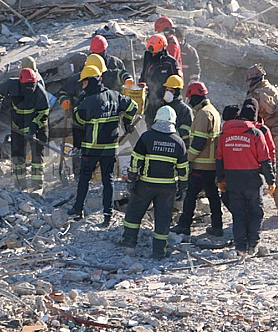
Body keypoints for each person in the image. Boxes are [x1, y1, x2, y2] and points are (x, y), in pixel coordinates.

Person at [67, 65, 138, 226]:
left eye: (84, 83)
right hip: (110, 149)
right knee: (108, 181)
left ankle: (78, 210)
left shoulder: (89, 102)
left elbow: (79, 119)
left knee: (84, 180)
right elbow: (133, 106)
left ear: (91, 81)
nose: (83, 86)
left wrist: (78, 103)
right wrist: (126, 121)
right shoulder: (115, 95)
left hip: (91, 150)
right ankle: (108, 215)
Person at [118, 106, 188, 259]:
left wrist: (131, 178)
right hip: (167, 188)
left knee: (135, 212)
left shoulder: (147, 137)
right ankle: (159, 252)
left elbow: (136, 159)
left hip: (146, 184)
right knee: (163, 218)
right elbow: (183, 169)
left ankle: (128, 242)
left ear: (157, 118)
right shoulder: (178, 142)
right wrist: (182, 187)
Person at [216, 99, 275, 255]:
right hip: (251, 178)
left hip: (232, 178)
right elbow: (265, 159)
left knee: (238, 213)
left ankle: (240, 247)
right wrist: (271, 180)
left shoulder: (224, 134)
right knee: (256, 212)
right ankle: (252, 244)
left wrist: (220, 180)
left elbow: (219, 159)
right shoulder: (256, 133)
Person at [0, 68, 50, 190]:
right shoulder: (10, 85)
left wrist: (34, 127)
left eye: (32, 85)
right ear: (20, 82)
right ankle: (20, 184)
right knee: (17, 154)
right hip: (18, 123)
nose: (30, 88)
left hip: (37, 123)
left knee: (37, 153)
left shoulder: (40, 92)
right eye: (28, 86)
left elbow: (44, 112)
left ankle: (37, 186)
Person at [171, 82, 222, 236]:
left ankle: (184, 225)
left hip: (201, 164)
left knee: (190, 194)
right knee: (213, 195)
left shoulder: (202, 114)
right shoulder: (213, 111)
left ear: (194, 97)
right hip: (212, 164)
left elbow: (199, 141)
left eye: (190, 98)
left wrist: (188, 159)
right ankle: (217, 226)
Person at [244, 64, 278, 218]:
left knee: (252, 171)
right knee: (277, 172)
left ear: (253, 79)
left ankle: (252, 211)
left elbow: (252, 118)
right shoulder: (276, 90)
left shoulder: (256, 95)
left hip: (262, 135)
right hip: (277, 135)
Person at [57, 54, 108, 177]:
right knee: (79, 149)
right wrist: (64, 100)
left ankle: (98, 174)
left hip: (99, 121)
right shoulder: (76, 80)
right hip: (79, 122)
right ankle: (79, 174)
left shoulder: (104, 78)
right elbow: (63, 92)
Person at [139, 34, 182, 129]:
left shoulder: (171, 63)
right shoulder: (148, 57)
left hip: (165, 102)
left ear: (162, 48)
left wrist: (170, 95)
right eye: (151, 52)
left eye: (155, 52)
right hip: (150, 100)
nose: (153, 54)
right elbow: (144, 75)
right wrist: (141, 84)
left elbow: (177, 83)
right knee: (150, 125)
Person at [162, 75, 193, 148]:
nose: (168, 93)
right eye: (167, 90)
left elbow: (186, 131)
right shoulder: (162, 107)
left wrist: (170, 134)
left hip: (178, 146)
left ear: (177, 92)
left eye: (171, 91)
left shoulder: (185, 110)